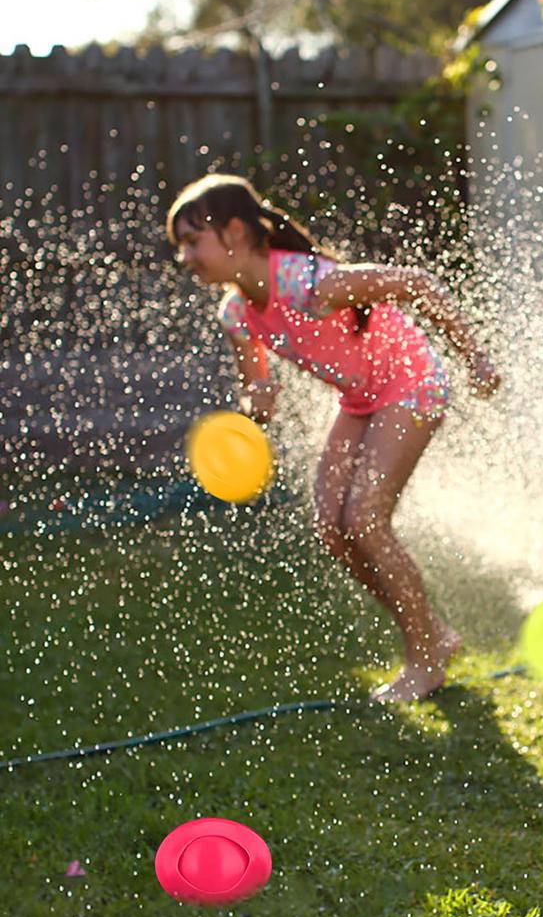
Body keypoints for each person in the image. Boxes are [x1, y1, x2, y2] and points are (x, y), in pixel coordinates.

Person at [168, 174, 500, 703]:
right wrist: (256, 405)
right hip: (360, 400)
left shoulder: (310, 283)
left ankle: (425, 659)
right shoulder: (236, 312)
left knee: (364, 519)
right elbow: (257, 385)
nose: (184, 257)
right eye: (180, 246)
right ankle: (431, 632)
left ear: (234, 232)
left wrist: (474, 358)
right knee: (333, 529)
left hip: (411, 382)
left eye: (192, 241)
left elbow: (417, 283)